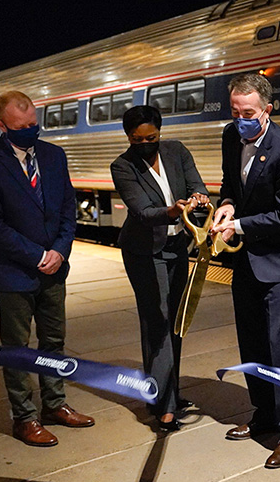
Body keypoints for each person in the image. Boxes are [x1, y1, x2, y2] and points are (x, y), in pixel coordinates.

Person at [0, 91, 94, 447]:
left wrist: (60, 250)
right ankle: (24, 417)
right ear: (1, 125)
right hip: (14, 272)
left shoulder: (54, 156)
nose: (30, 132)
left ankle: (55, 404)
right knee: (18, 348)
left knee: (53, 341)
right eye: (20, 127)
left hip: (55, 269)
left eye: (34, 125)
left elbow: (68, 209)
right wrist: (37, 255)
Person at [211, 73, 280, 469]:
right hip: (245, 262)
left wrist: (240, 226)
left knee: (279, 347)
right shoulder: (230, 137)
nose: (240, 119)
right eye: (235, 112)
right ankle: (264, 416)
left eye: (248, 113)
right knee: (251, 344)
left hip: (278, 263)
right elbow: (229, 183)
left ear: (267, 110)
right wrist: (228, 204)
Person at [110, 105, 210, 433]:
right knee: (158, 323)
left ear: (160, 132)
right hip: (144, 252)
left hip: (177, 247)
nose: (145, 143)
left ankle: (168, 392)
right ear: (128, 137)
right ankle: (164, 406)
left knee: (176, 323)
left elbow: (198, 184)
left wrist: (198, 198)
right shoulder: (122, 166)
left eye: (150, 137)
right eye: (137, 139)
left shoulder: (175, 151)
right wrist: (171, 210)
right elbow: (142, 211)